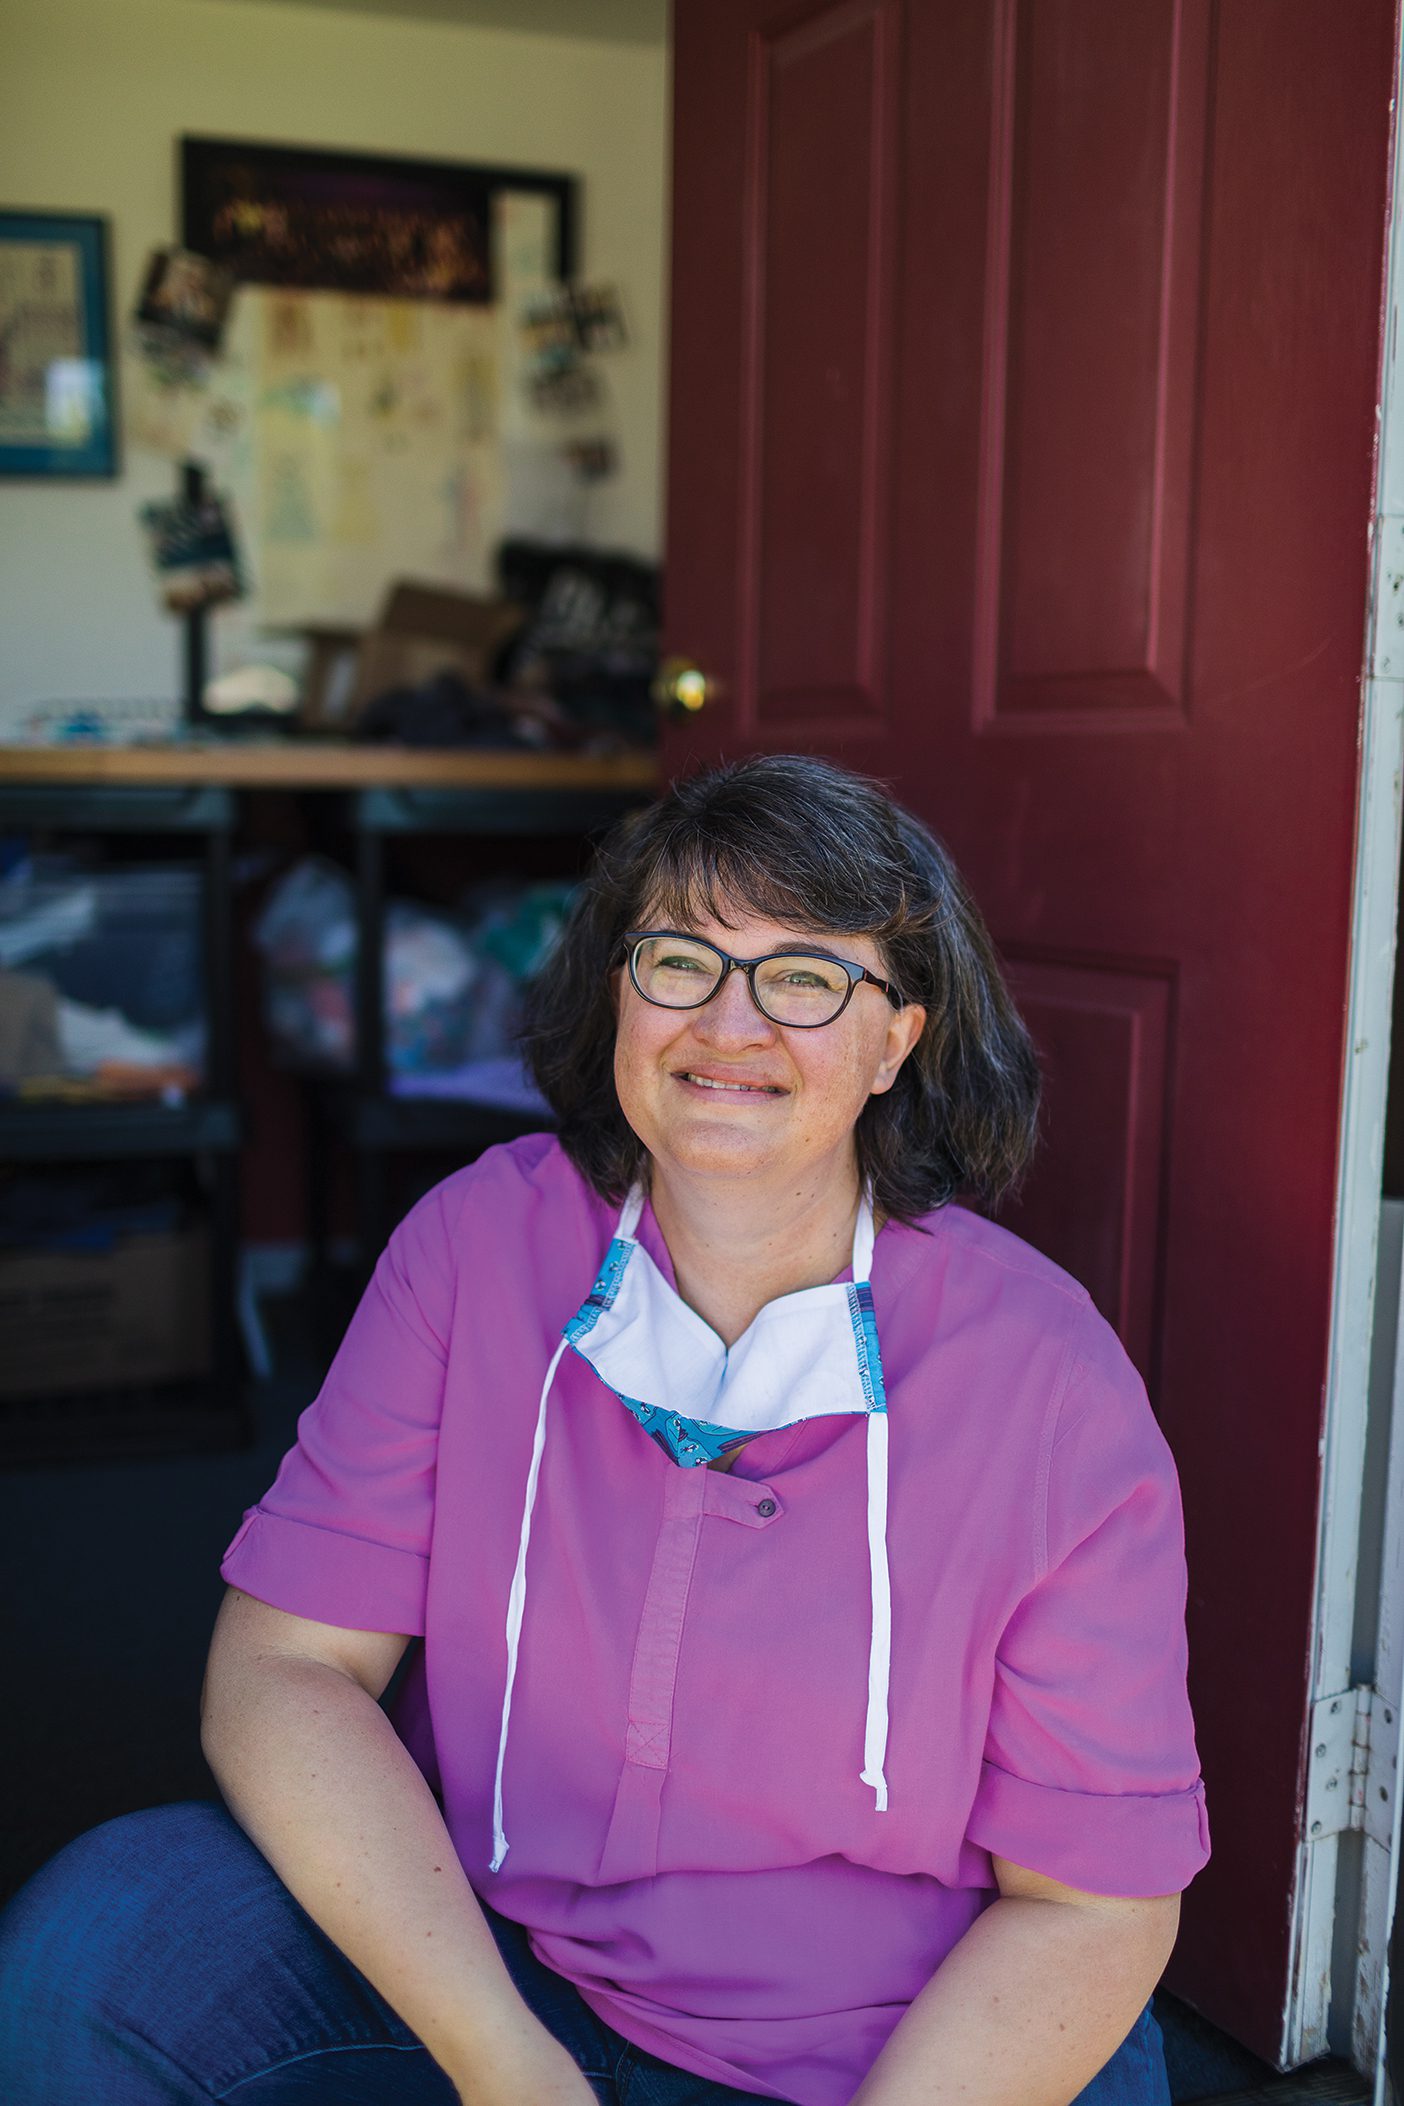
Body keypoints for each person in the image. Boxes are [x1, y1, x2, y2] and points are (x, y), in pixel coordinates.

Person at [0, 755, 1208, 2106]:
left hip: (905, 2041)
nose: (731, 1024)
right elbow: (286, 1665)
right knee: (102, 1946)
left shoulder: (1048, 1379)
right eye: (679, 959)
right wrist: (501, 2061)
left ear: (895, 1039)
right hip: (514, 1978)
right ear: (620, 993)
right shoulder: (476, 1245)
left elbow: (1094, 1907)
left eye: (806, 977)